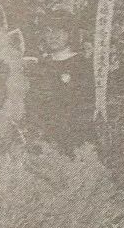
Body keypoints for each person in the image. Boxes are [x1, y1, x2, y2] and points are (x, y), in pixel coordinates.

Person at [26, 10, 94, 152]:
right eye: (48, 31)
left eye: (60, 31)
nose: (53, 36)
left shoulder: (83, 65)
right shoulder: (38, 64)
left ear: (70, 34)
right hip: (40, 137)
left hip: (72, 138)